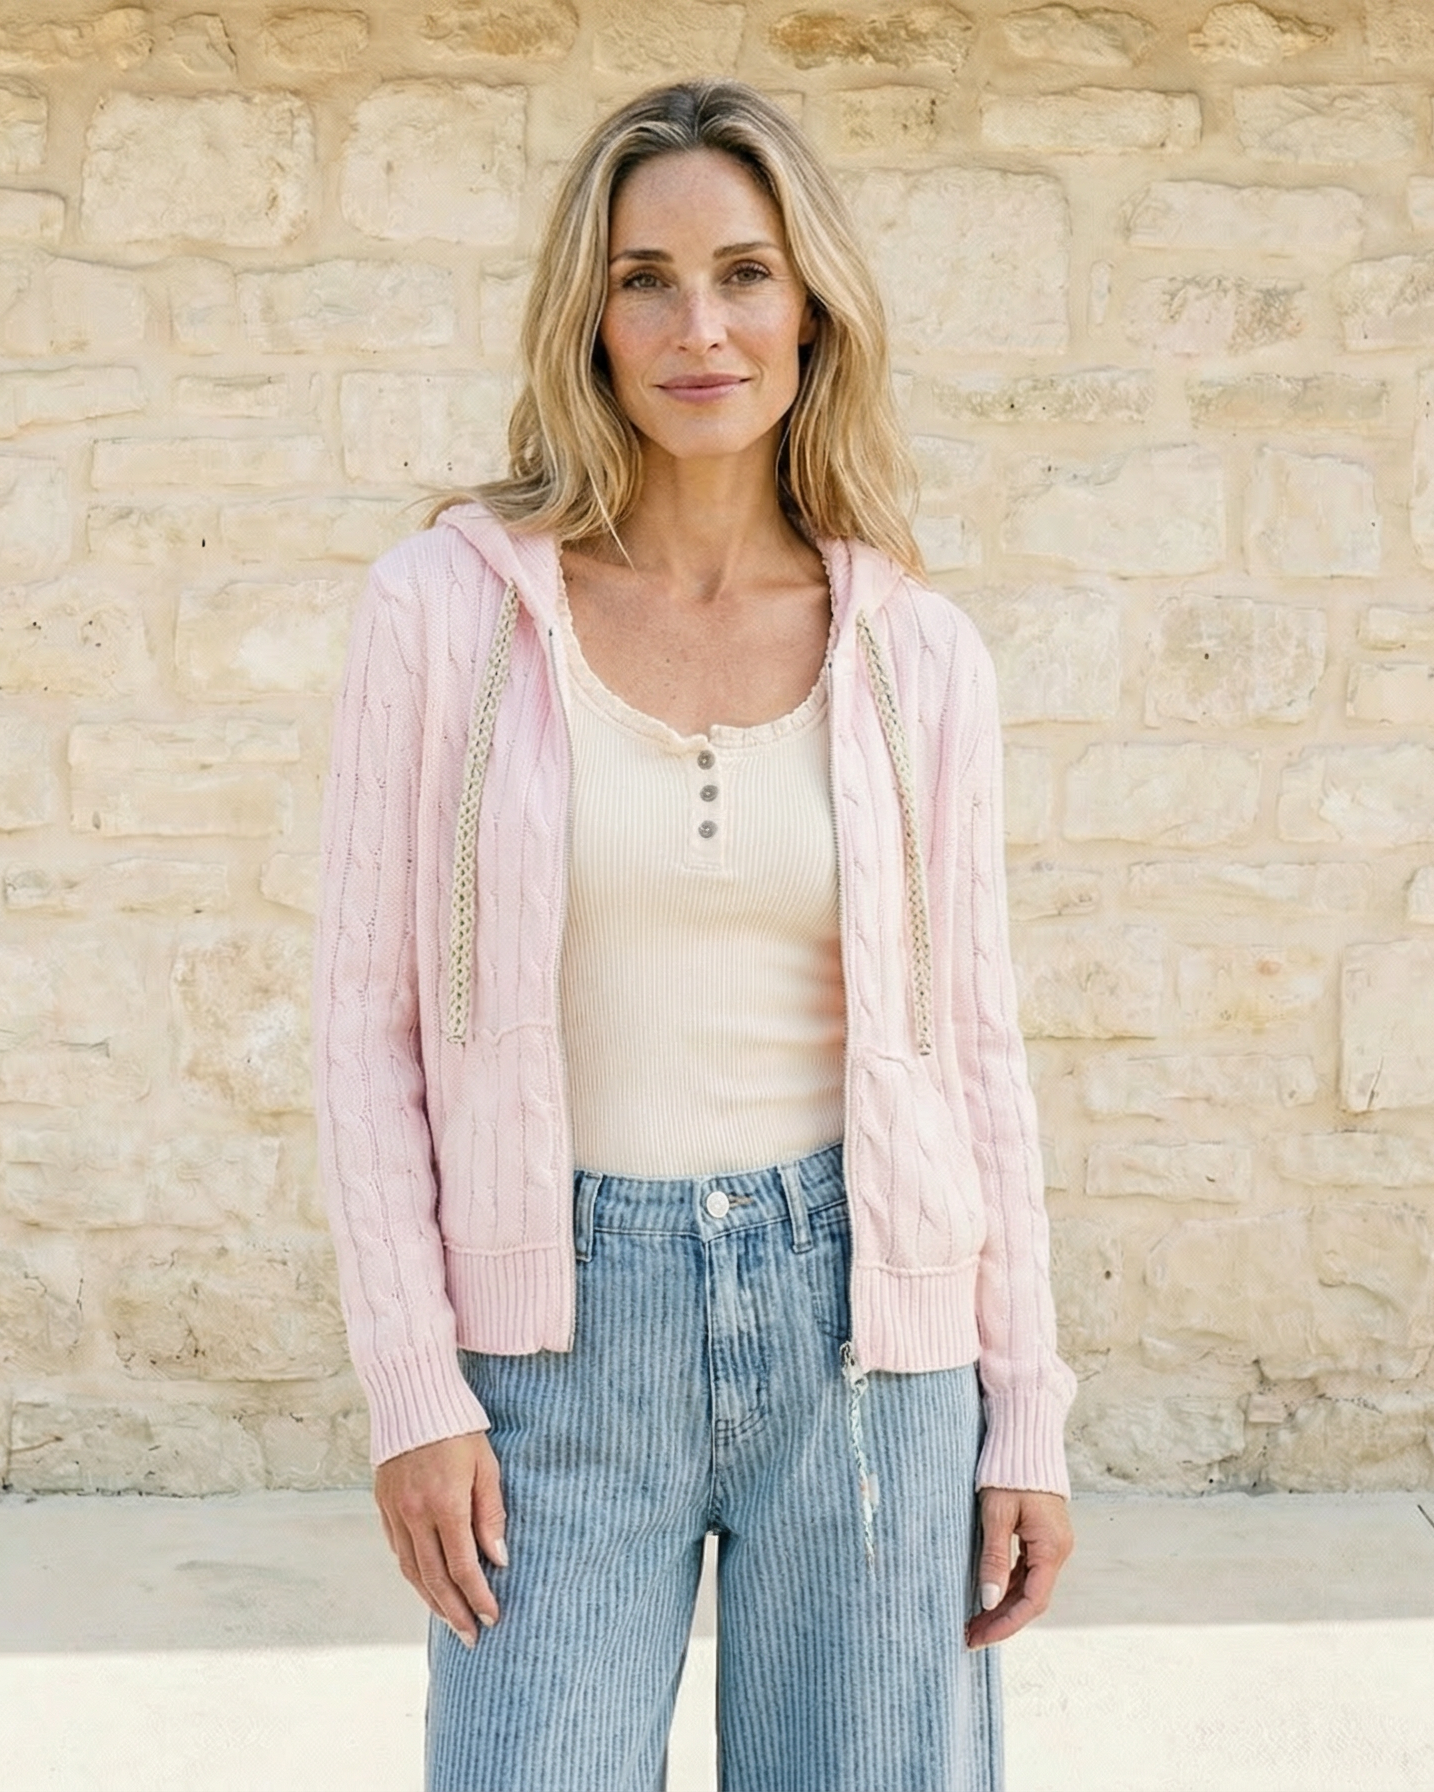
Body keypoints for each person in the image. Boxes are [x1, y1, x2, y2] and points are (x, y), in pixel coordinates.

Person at [314, 77, 1076, 1792]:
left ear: (811, 306)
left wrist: (1021, 1406)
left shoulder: (915, 654)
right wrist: (414, 1393)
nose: (697, 325)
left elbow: (978, 1050)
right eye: (643, 277)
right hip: (553, 1345)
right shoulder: (444, 610)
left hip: (869, 1340)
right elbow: (365, 1031)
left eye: (742, 272)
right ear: (586, 318)